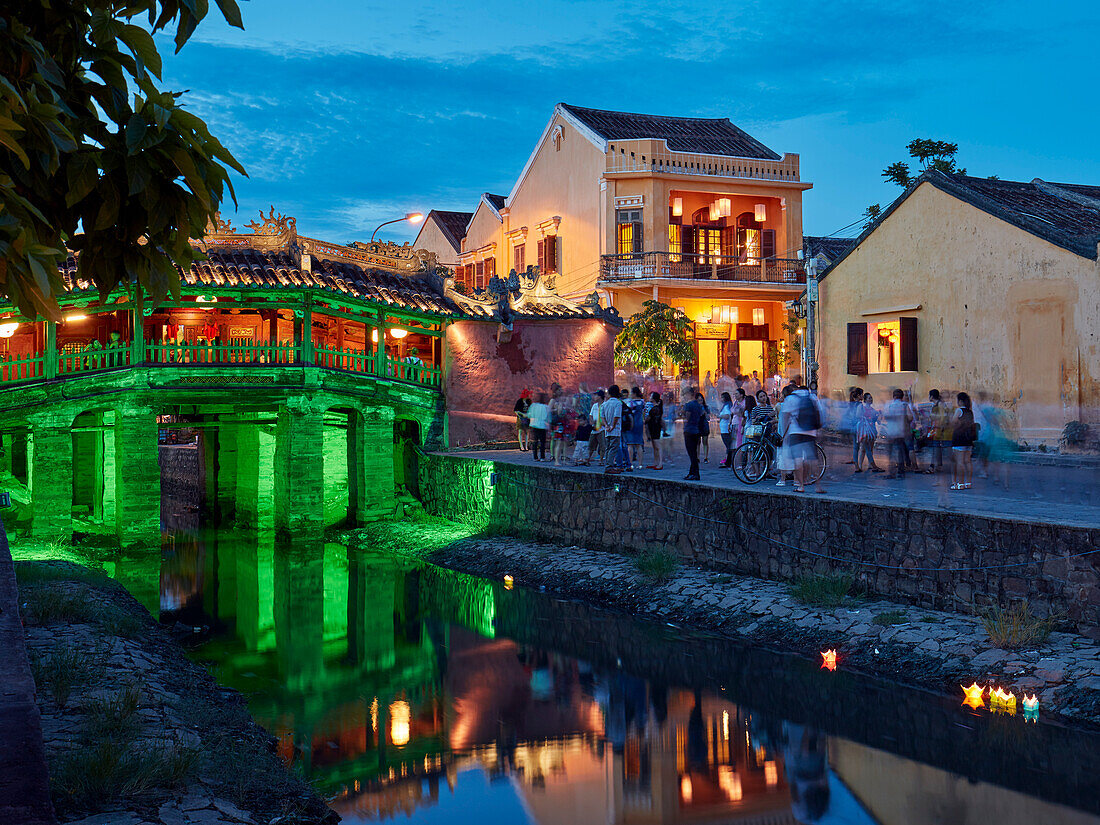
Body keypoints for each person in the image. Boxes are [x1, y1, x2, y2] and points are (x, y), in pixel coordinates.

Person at [787, 380, 825, 493]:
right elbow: (820, 413)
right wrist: (819, 430)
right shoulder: (813, 397)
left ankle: (800, 486)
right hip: (810, 431)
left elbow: (785, 417)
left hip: (795, 432)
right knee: (812, 459)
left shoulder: (790, 398)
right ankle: (818, 486)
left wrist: (784, 434)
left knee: (798, 460)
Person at [883, 388, 913, 479]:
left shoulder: (889, 405)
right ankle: (900, 472)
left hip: (891, 431)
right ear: (902, 397)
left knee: (891, 452)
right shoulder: (905, 405)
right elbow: (910, 417)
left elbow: (886, 416)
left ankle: (891, 472)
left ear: (894, 396)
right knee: (900, 451)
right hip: (901, 431)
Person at [950, 391, 977, 490]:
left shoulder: (959, 410)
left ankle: (960, 483)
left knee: (959, 462)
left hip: (959, 438)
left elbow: (953, 422)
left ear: (960, 401)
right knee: (968, 461)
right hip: (968, 439)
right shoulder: (970, 411)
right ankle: (968, 482)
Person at [855, 392, 883, 472]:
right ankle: (861, 465)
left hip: (872, 430)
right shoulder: (862, 408)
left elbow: (877, 421)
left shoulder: (873, 410)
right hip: (865, 431)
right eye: (869, 398)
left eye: (871, 398)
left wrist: (879, 416)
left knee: (870, 448)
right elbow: (858, 416)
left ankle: (869, 464)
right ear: (865, 400)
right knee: (864, 448)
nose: (871, 399)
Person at [681, 391, 705, 480]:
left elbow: (687, 417)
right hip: (697, 430)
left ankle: (695, 473)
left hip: (689, 430)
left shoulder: (689, 405)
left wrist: (682, 413)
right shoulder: (699, 405)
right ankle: (692, 472)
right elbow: (702, 414)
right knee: (694, 452)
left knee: (692, 454)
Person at [928, 389, 953, 475]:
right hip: (937, 430)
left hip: (941, 430)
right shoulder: (936, 405)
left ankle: (955, 466)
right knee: (936, 448)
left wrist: (941, 428)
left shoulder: (940, 404)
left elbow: (943, 417)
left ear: (931, 396)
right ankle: (936, 466)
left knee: (943, 449)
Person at [601, 385, 625, 474]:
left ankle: (607, 464)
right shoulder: (618, 403)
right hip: (615, 430)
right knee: (613, 448)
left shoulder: (605, 404)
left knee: (608, 448)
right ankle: (609, 466)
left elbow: (602, 417)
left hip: (607, 430)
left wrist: (606, 425)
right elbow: (616, 416)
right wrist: (613, 426)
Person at [625, 386, 646, 468]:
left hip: (631, 424)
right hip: (640, 424)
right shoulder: (642, 402)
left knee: (630, 444)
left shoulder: (630, 403)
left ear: (634, 393)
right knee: (639, 444)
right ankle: (640, 464)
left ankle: (630, 463)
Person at [527, 392, 550, 461]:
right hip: (542, 425)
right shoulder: (546, 407)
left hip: (533, 425)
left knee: (535, 441)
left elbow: (529, 415)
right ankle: (542, 457)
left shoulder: (533, 406)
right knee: (542, 442)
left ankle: (535, 457)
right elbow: (548, 417)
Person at [644, 391, 664, 470]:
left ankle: (660, 463)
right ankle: (656, 462)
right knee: (655, 446)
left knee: (657, 445)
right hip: (654, 427)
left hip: (655, 428)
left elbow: (648, 418)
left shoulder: (655, 409)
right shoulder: (656, 407)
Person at [717, 391, 735, 468]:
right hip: (725, 427)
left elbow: (727, 416)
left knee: (728, 445)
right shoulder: (728, 405)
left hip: (725, 428)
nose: (720, 399)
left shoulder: (727, 406)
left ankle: (728, 462)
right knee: (728, 445)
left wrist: (719, 416)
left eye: (722, 397)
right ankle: (728, 461)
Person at [589, 389, 606, 465]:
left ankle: (601, 460)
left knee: (602, 445)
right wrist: (592, 422)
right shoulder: (594, 405)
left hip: (602, 428)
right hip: (594, 428)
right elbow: (591, 415)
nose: (595, 397)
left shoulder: (605, 405)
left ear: (600, 396)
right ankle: (588, 459)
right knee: (591, 445)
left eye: (596, 395)